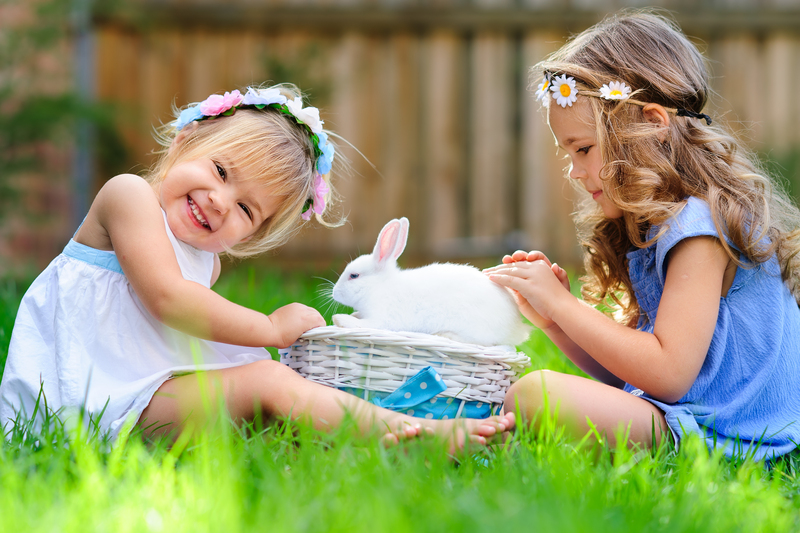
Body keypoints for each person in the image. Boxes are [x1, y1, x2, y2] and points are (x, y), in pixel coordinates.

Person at [0, 83, 513, 448]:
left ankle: (356, 437)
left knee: (271, 396)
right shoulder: (128, 197)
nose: (221, 201)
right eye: (220, 171)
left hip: (134, 402)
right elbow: (170, 300)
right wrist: (269, 328)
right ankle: (413, 435)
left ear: (255, 234)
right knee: (267, 381)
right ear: (186, 141)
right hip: (73, 409)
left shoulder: (207, 263)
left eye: (247, 209)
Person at [486, 11, 800, 461]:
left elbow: (667, 374)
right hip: (701, 423)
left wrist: (564, 305)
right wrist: (555, 322)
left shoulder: (698, 228)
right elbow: (634, 377)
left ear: (653, 123)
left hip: (734, 441)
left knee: (534, 395)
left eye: (584, 149)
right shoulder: (664, 224)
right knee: (532, 397)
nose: (575, 172)